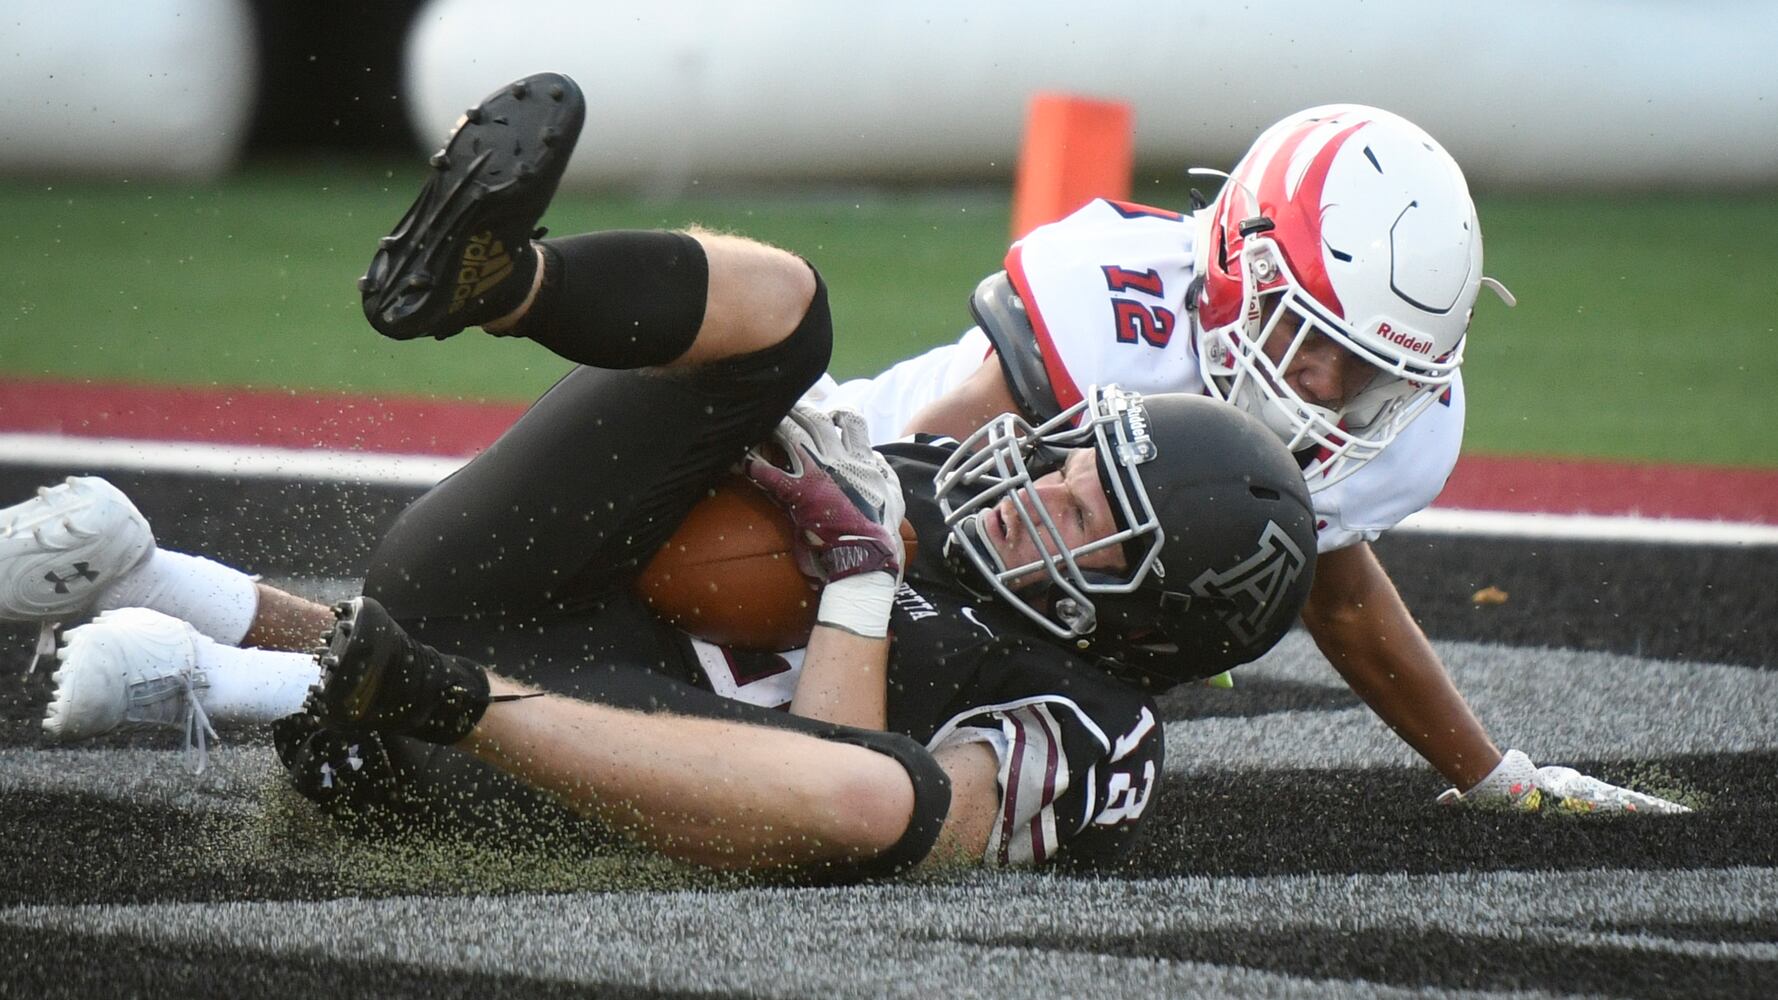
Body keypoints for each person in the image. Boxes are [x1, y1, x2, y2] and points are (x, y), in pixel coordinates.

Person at [1, 73, 1338, 880]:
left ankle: (200, 623)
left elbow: (867, 822)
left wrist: (858, 589)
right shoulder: (943, 474)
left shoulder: (1101, 723)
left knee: (881, 797)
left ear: (1147, 626)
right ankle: (498, 280)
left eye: (1097, 519)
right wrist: (766, 447)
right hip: (489, 612)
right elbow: (679, 514)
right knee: (785, 309)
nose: (1046, 489)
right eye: (1074, 464)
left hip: (555, 776)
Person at [803, 103, 1653, 813]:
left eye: (1369, 371)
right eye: (1307, 333)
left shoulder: (1399, 427)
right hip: (845, 502)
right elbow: (916, 480)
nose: (1323, 387)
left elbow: (1341, 596)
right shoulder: (1117, 320)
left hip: (1015, 615)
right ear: (1236, 265)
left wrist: (1494, 779)